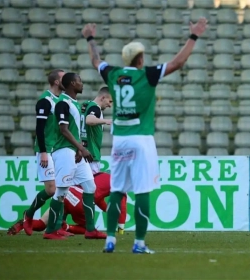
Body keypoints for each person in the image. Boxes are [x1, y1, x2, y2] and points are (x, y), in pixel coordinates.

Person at [81, 18, 208, 254]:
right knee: (142, 191)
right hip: (142, 139)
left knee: (117, 190)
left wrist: (90, 37)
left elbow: (95, 60)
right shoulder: (148, 75)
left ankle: (110, 240)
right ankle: (138, 243)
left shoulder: (113, 74)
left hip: (119, 139)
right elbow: (178, 63)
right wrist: (194, 35)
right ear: (140, 59)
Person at [44, 72, 106, 240]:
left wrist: (79, 150)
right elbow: (63, 130)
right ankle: (50, 230)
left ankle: (91, 230)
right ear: (72, 83)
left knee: (90, 187)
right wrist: (81, 148)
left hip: (75, 152)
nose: (82, 83)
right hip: (63, 151)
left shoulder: (74, 104)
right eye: (79, 80)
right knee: (62, 189)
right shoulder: (62, 103)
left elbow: (74, 130)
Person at [7, 172, 127, 236]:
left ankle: (23, 223)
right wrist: (120, 230)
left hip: (66, 193)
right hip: (80, 201)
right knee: (88, 228)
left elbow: (98, 199)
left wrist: (107, 210)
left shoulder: (102, 176)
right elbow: (122, 208)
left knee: (42, 224)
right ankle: (66, 227)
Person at [23, 69, 65, 236]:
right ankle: (29, 213)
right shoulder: (45, 101)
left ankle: (57, 227)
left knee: (62, 188)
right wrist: (43, 152)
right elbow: (39, 128)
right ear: (56, 81)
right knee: (51, 190)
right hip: (46, 149)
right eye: (63, 78)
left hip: (59, 149)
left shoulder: (61, 100)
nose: (67, 80)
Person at [81, 87, 113, 174]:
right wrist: (106, 121)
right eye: (110, 101)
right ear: (103, 98)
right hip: (91, 154)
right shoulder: (96, 108)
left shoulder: (85, 105)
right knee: (92, 185)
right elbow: (89, 120)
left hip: (80, 152)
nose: (110, 105)